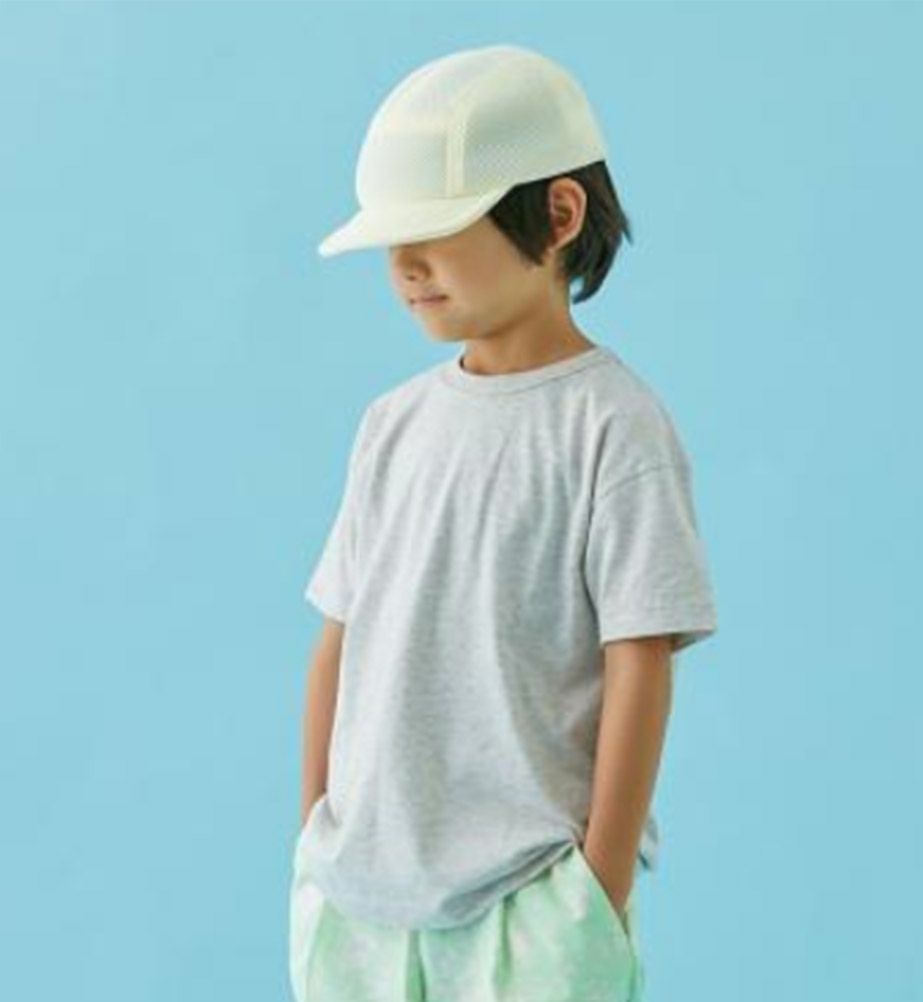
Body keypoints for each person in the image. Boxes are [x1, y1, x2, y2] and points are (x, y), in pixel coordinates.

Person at [290, 44, 719, 1002]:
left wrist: (597, 891)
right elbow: (340, 638)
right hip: (356, 901)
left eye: (434, 231)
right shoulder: (392, 424)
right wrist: (314, 835)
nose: (405, 266)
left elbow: (640, 659)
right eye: (390, 242)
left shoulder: (613, 427)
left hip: (528, 905)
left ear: (559, 215)